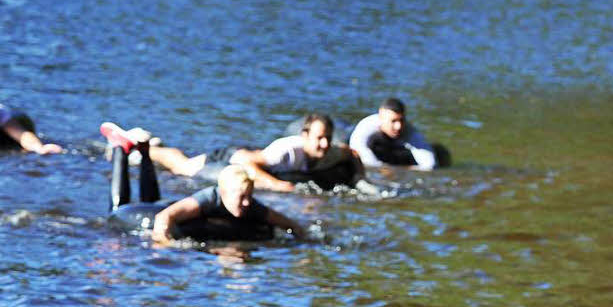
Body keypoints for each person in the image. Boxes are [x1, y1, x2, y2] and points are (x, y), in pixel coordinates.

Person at [100, 122, 307, 243]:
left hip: (158, 205)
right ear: (224, 193)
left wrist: (304, 238)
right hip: (157, 212)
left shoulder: (250, 206)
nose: (246, 203)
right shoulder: (209, 198)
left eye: (248, 197)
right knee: (118, 209)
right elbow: (164, 217)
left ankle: (145, 152)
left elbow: (288, 223)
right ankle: (119, 148)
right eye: (241, 197)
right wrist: (165, 244)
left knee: (151, 200)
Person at [143, 113, 367, 192]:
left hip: (254, 153)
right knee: (183, 167)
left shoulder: (331, 151)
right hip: (230, 157)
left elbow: (353, 154)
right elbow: (247, 163)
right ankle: (148, 148)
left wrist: (359, 178)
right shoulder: (287, 150)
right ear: (305, 136)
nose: (324, 144)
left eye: (327, 138)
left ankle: (154, 146)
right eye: (318, 138)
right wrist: (276, 185)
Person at [348, 98, 437, 170]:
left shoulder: (410, 131)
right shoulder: (366, 127)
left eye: (401, 120)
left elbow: (429, 165)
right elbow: (358, 151)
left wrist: (403, 170)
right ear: (381, 117)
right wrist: (384, 169)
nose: (398, 126)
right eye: (393, 121)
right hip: (376, 150)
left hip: (395, 151)